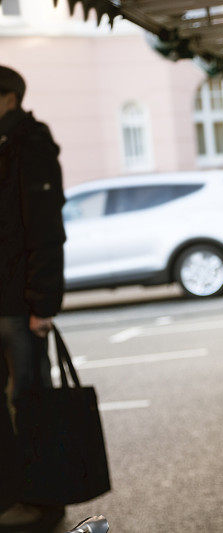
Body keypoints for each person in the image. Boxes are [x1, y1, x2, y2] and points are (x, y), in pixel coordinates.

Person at [0, 65, 66, 531]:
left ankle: (43, 501)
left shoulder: (29, 145)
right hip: (8, 300)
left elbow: (45, 232)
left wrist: (43, 306)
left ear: (7, 97)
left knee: (29, 402)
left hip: (18, 304)